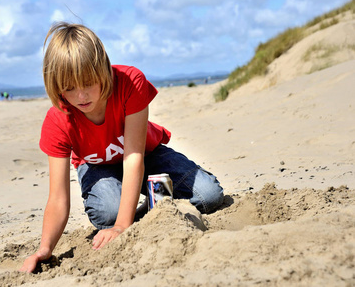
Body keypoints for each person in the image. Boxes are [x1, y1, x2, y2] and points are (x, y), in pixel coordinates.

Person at [19, 22, 224, 273]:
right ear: (56, 85)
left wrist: (122, 226)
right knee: (108, 213)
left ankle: (154, 200)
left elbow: (134, 156)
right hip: (97, 168)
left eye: (88, 82)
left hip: (144, 154)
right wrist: (44, 249)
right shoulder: (57, 120)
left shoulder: (129, 82)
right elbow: (58, 198)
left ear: (102, 69)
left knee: (208, 195)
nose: (81, 96)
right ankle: (154, 204)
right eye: (69, 88)